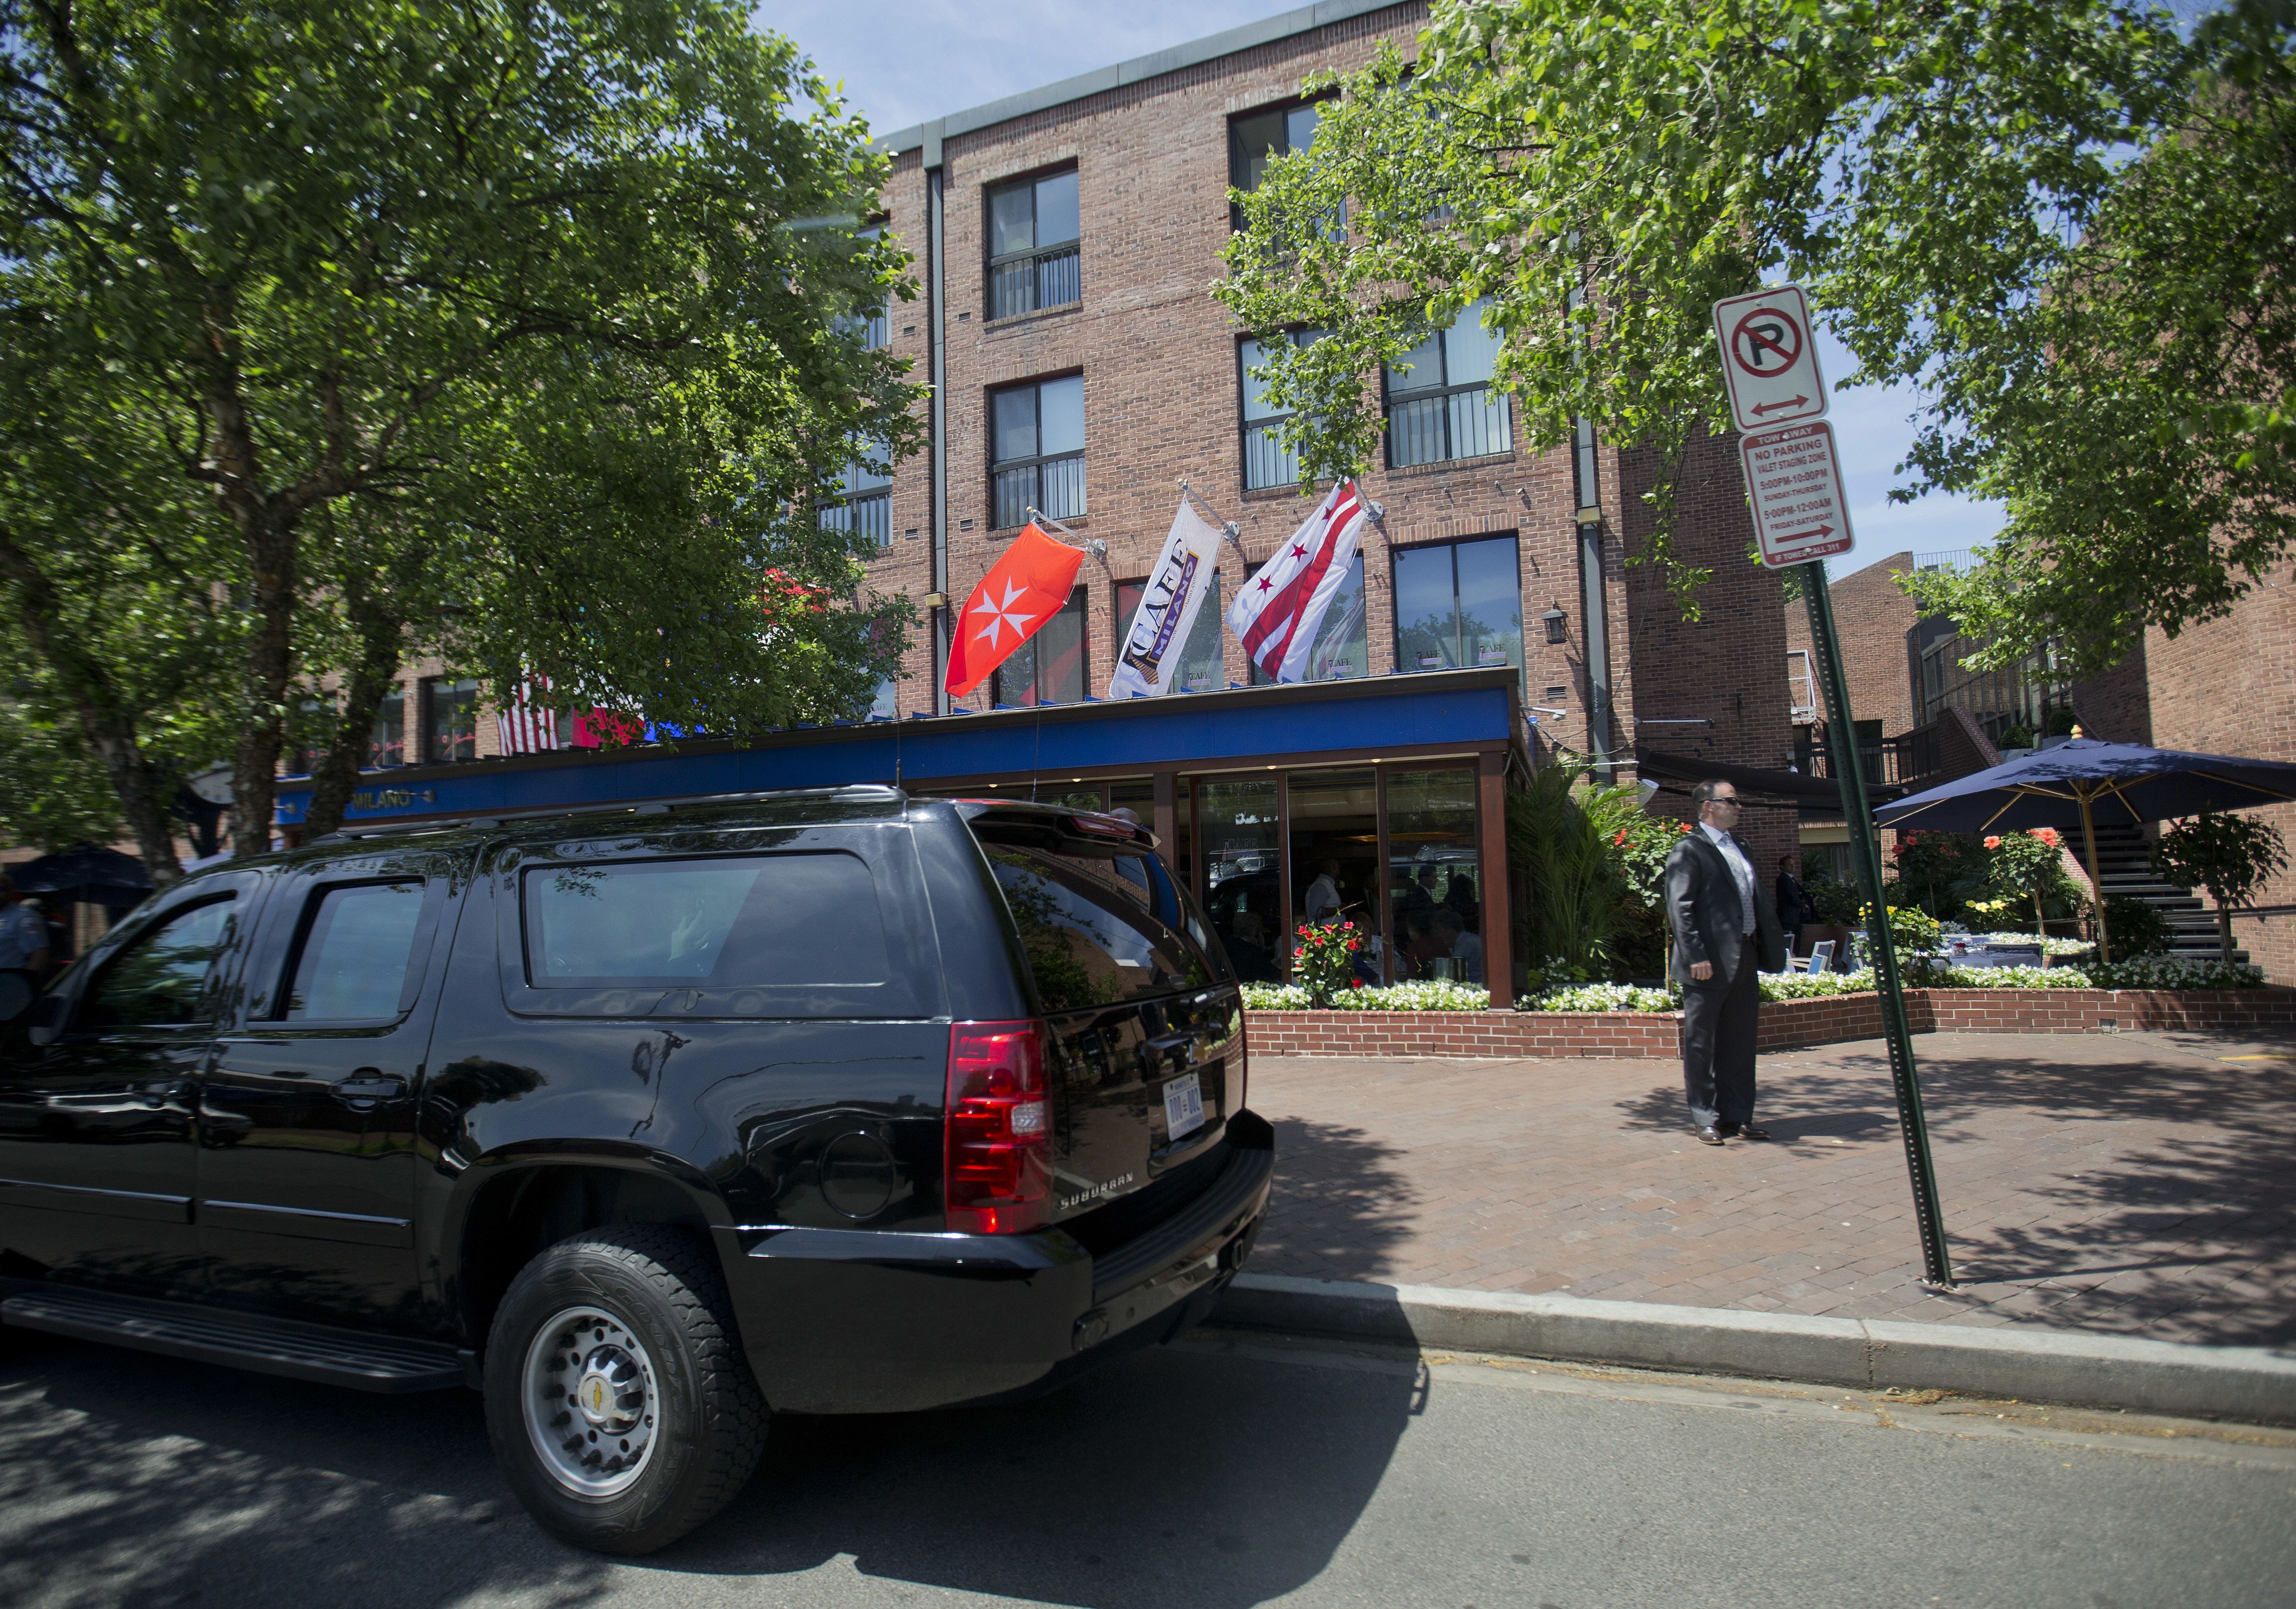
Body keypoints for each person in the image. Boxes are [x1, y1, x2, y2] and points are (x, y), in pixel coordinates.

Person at [1663, 782, 1787, 1146]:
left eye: (1738, 800)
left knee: (1740, 1043)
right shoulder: (1689, 850)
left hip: (1743, 956)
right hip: (1706, 964)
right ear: (1708, 807)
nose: (1739, 806)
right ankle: (1705, 1117)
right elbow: (1679, 908)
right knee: (1701, 1045)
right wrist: (1696, 955)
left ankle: (1738, 1117)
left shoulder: (1741, 846)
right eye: (1731, 801)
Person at [0, 873, 51, 977]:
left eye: (1, 889)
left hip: (10, 986)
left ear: (10, 892)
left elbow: (40, 955)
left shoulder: (22, 916)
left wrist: (24, 984)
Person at [1428, 907, 1483, 984]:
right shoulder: (1469, 939)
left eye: (1439, 932)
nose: (1438, 937)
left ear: (1450, 930)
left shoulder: (1466, 945)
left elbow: (1452, 977)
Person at [1775, 853, 1814, 953]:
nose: (1793, 867)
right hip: (1788, 918)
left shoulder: (1792, 879)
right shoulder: (1783, 879)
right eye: (1789, 865)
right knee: (1790, 942)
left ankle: (1795, 963)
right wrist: (1803, 905)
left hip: (1796, 917)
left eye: (1793, 864)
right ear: (1782, 866)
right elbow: (1791, 896)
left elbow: (1800, 893)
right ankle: (1790, 963)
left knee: (1796, 942)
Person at [1304, 858, 1343, 923]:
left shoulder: (1328, 885)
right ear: (1333, 866)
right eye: (1338, 865)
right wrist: (1340, 909)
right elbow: (1315, 912)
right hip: (1323, 932)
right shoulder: (1321, 886)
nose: (1339, 868)